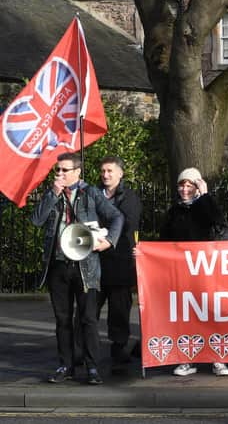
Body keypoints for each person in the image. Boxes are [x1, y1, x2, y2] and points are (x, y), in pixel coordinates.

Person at [31, 152, 124, 385]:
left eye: (64, 170)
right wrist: (53, 194)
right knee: (62, 319)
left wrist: (109, 241)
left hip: (86, 266)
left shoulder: (90, 193)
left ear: (77, 172)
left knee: (88, 318)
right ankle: (65, 365)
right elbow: (36, 219)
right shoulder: (53, 194)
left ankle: (92, 368)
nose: (60, 174)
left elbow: (117, 217)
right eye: (58, 170)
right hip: (59, 265)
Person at [160, 167, 228, 377]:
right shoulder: (174, 212)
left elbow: (218, 220)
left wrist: (205, 194)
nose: (185, 189)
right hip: (182, 272)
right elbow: (163, 241)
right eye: (182, 184)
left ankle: (217, 359)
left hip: (205, 270)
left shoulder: (204, 206)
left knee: (211, 314)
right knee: (187, 317)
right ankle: (187, 359)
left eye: (189, 185)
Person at [96, 156, 142, 365]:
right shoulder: (93, 194)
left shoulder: (129, 198)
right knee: (88, 309)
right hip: (95, 261)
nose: (105, 175)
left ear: (120, 173)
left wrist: (101, 230)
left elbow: (127, 224)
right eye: (103, 171)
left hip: (120, 262)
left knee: (119, 309)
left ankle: (118, 347)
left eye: (110, 171)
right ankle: (82, 347)